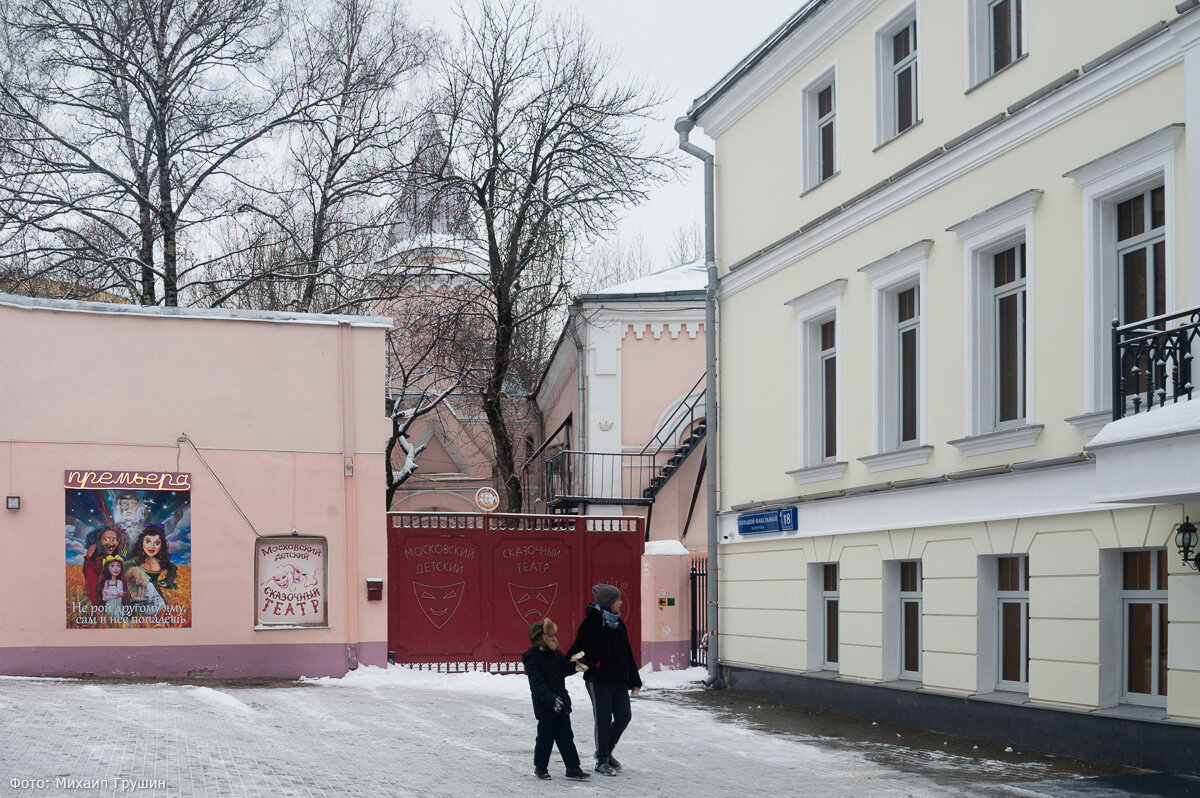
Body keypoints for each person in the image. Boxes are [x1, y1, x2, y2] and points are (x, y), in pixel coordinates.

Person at [566, 583, 642, 776]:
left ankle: (606, 751)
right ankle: (601, 760)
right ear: (608, 603)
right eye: (618, 599)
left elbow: (627, 653)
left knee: (624, 716)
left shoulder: (619, 624)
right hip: (598, 680)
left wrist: (635, 680)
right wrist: (589, 662)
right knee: (603, 718)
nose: (621, 602)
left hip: (618, 680)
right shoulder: (590, 625)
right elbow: (576, 650)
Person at [522, 618, 591, 782]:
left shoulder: (555, 654)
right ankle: (540, 768)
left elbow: (563, 669)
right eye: (550, 636)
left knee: (566, 736)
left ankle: (573, 767)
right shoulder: (532, 658)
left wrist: (576, 664)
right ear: (542, 638)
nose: (554, 638)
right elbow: (537, 684)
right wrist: (551, 699)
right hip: (546, 705)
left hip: (562, 702)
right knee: (545, 738)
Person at [82, 526, 129, 605]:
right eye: (106, 539)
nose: (111, 544)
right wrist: (88, 559)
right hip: (101, 600)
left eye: (114, 540)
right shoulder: (96, 561)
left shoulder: (117, 558)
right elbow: (91, 580)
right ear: (98, 541)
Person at [128, 524, 178, 591]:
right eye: (148, 541)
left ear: (161, 545)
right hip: (138, 593)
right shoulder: (137, 560)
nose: (152, 546)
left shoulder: (161, 561)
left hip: (155, 594)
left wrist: (167, 581)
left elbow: (172, 569)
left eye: (157, 543)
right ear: (142, 542)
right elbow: (124, 567)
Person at [99, 556, 128, 623]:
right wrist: (116, 593)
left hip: (117, 604)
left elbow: (119, 593)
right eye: (112, 566)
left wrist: (108, 593)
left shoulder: (119, 582)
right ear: (107, 568)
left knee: (117, 618)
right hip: (109, 604)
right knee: (108, 617)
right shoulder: (107, 582)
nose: (116, 568)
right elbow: (104, 596)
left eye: (118, 566)